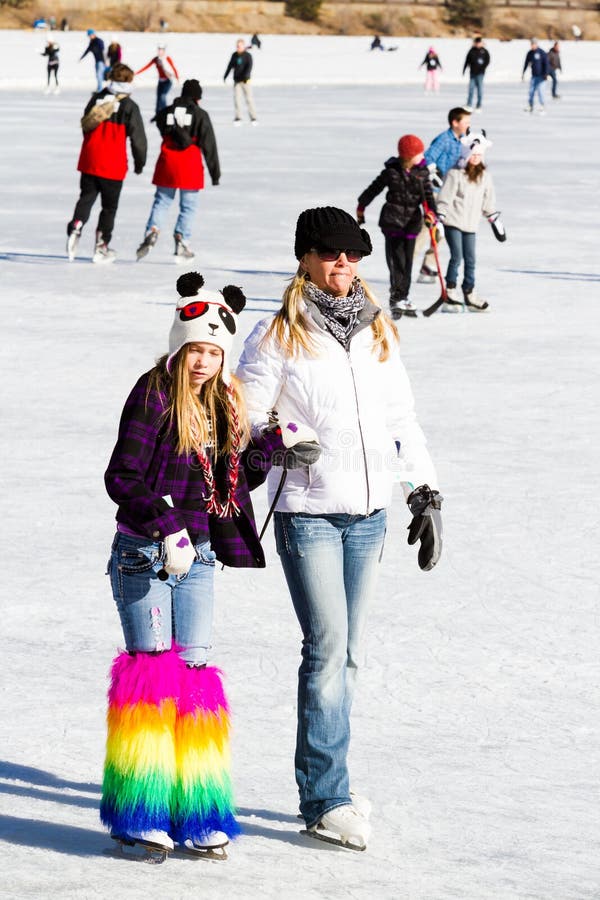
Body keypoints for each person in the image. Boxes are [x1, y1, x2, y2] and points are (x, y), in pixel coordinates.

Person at [236, 206, 443, 851]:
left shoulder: (377, 331)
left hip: (370, 513)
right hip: (309, 512)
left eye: (352, 255)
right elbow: (242, 418)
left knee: (348, 655)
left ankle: (329, 787)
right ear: (304, 258)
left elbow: (400, 418)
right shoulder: (277, 336)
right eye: (330, 254)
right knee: (327, 652)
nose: (343, 265)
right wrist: (278, 440)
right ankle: (325, 798)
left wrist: (425, 490)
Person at [101, 271, 274, 858]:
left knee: (195, 677)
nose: (202, 361)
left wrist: (275, 450)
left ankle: (196, 811)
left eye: (212, 352)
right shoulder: (153, 392)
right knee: (151, 676)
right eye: (194, 348)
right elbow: (121, 477)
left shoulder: (222, 403)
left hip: (197, 557)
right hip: (144, 555)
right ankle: (139, 813)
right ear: (178, 347)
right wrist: (164, 522)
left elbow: (229, 483)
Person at [66, 63, 147, 264]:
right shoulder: (130, 106)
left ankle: (76, 225)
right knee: (108, 208)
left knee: (86, 198)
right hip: (113, 165)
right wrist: (139, 163)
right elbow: (139, 139)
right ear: (128, 81)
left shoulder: (97, 97)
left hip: (89, 160)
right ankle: (101, 246)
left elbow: (85, 123)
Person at [136, 79, 220, 263]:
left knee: (162, 201)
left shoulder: (167, 111)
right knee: (188, 207)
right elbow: (209, 145)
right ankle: (182, 239)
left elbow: (159, 122)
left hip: (167, 163)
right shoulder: (200, 114)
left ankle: (153, 230)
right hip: (189, 166)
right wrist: (215, 173)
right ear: (197, 97)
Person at [356, 134, 438, 318]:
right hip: (392, 222)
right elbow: (373, 189)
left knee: (407, 262)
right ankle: (396, 297)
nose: (422, 156)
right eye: (418, 153)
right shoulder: (391, 171)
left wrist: (433, 214)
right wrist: (361, 206)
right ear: (408, 156)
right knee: (395, 262)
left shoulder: (422, 173)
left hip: (411, 223)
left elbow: (429, 198)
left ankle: (403, 296)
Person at [435, 132, 506, 313]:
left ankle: (469, 293)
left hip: (471, 224)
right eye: (473, 155)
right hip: (453, 221)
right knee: (457, 256)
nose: (476, 158)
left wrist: (494, 220)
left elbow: (488, 202)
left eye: (479, 155)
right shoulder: (455, 174)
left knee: (471, 259)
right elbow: (445, 198)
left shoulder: (485, 177)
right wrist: (440, 218)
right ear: (466, 155)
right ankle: (450, 291)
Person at [416, 106, 472, 284]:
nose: (468, 125)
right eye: (466, 122)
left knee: (442, 231)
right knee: (427, 229)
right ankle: (405, 263)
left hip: (449, 192)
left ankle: (428, 265)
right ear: (455, 123)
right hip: (435, 191)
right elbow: (427, 158)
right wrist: (435, 173)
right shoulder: (444, 139)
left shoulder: (462, 140)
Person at [136, 44, 180, 116]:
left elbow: (173, 68)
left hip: (168, 81)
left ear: (164, 51)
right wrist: (137, 73)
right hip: (161, 81)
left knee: (163, 95)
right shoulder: (156, 59)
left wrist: (177, 77)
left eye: (161, 50)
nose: (160, 51)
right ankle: (157, 113)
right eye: (159, 50)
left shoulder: (167, 58)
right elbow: (147, 66)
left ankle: (164, 112)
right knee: (158, 97)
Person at [223, 38, 257, 125]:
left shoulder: (248, 56)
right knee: (237, 100)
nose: (238, 48)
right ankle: (238, 117)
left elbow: (249, 67)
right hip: (237, 81)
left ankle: (253, 117)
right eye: (237, 46)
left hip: (246, 81)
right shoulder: (234, 55)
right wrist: (225, 76)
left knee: (249, 99)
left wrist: (246, 76)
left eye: (239, 46)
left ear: (243, 46)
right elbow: (230, 66)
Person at [463, 36, 490, 110]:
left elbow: (487, 61)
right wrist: (464, 69)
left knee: (480, 89)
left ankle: (479, 105)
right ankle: (469, 104)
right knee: (471, 89)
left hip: (480, 73)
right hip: (472, 73)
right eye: (476, 43)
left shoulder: (484, 51)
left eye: (479, 43)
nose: (478, 44)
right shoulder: (471, 50)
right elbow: (467, 60)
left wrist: (483, 68)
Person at [522, 38, 549, 114]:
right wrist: (523, 72)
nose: (532, 46)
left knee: (541, 92)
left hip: (542, 77)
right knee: (531, 92)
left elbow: (546, 64)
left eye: (533, 44)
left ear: (536, 44)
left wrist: (546, 74)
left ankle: (542, 105)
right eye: (531, 44)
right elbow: (526, 63)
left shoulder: (542, 52)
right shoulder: (530, 53)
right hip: (534, 76)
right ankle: (530, 105)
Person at [80, 28, 105, 92]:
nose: (89, 37)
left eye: (90, 35)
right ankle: (99, 88)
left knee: (99, 75)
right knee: (98, 75)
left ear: (93, 34)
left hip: (101, 61)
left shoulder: (98, 40)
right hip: (97, 61)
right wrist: (82, 58)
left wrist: (105, 60)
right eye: (88, 36)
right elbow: (87, 50)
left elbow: (103, 49)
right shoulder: (92, 42)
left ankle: (100, 89)